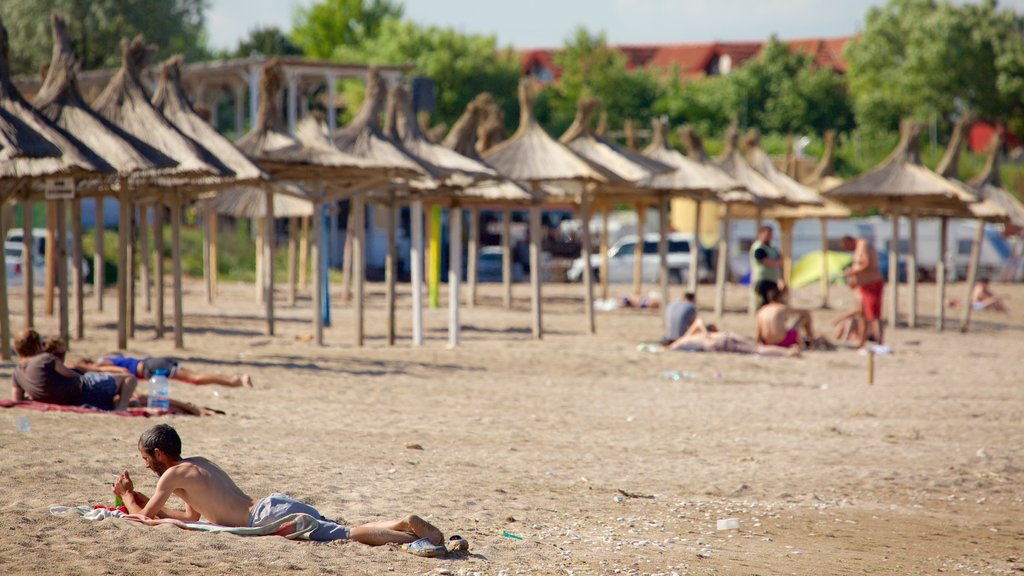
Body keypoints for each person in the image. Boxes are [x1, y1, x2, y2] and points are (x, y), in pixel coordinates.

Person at [113, 424, 466, 552]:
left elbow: (144, 519)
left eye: (145, 457)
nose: (145, 464)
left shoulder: (169, 476)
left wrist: (129, 497)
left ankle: (407, 526)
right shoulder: (199, 463)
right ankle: (407, 530)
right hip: (273, 503)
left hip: (267, 517)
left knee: (345, 535)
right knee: (343, 529)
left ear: (159, 453)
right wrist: (150, 504)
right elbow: (193, 516)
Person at [10, 329, 137, 411]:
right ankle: (121, 408)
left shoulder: (16, 373)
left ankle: (122, 403)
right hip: (84, 389)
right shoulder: (45, 358)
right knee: (129, 378)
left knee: (120, 397)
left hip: (74, 400)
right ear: (37, 345)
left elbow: (17, 400)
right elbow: (73, 375)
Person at [67, 353, 253, 388]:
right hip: (152, 366)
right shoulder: (104, 361)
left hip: (152, 367)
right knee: (194, 378)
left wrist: (96, 368)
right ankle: (234, 380)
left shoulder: (102, 362)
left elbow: (122, 370)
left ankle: (235, 379)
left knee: (195, 378)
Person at [665, 317, 800, 357]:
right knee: (757, 347)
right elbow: (699, 322)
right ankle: (787, 352)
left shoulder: (682, 341)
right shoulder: (689, 336)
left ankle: (788, 353)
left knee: (756, 350)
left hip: (720, 343)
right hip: (725, 335)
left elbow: (670, 348)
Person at [841, 235, 884, 348]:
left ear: (849, 241)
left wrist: (851, 271)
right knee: (862, 314)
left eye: (847, 246)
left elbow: (866, 263)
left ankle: (879, 342)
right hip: (863, 286)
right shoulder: (858, 249)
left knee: (874, 314)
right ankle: (862, 342)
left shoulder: (863, 245)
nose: (849, 249)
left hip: (872, 284)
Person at [749, 225, 783, 309]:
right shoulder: (758, 248)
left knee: (774, 306)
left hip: (773, 281)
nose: (769, 237)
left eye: (770, 235)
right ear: (761, 234)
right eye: (767, 234)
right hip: (762, 281)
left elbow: (781, 261)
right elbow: (771, 263)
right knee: (763, 305)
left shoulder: (772, 248)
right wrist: (776, 262)